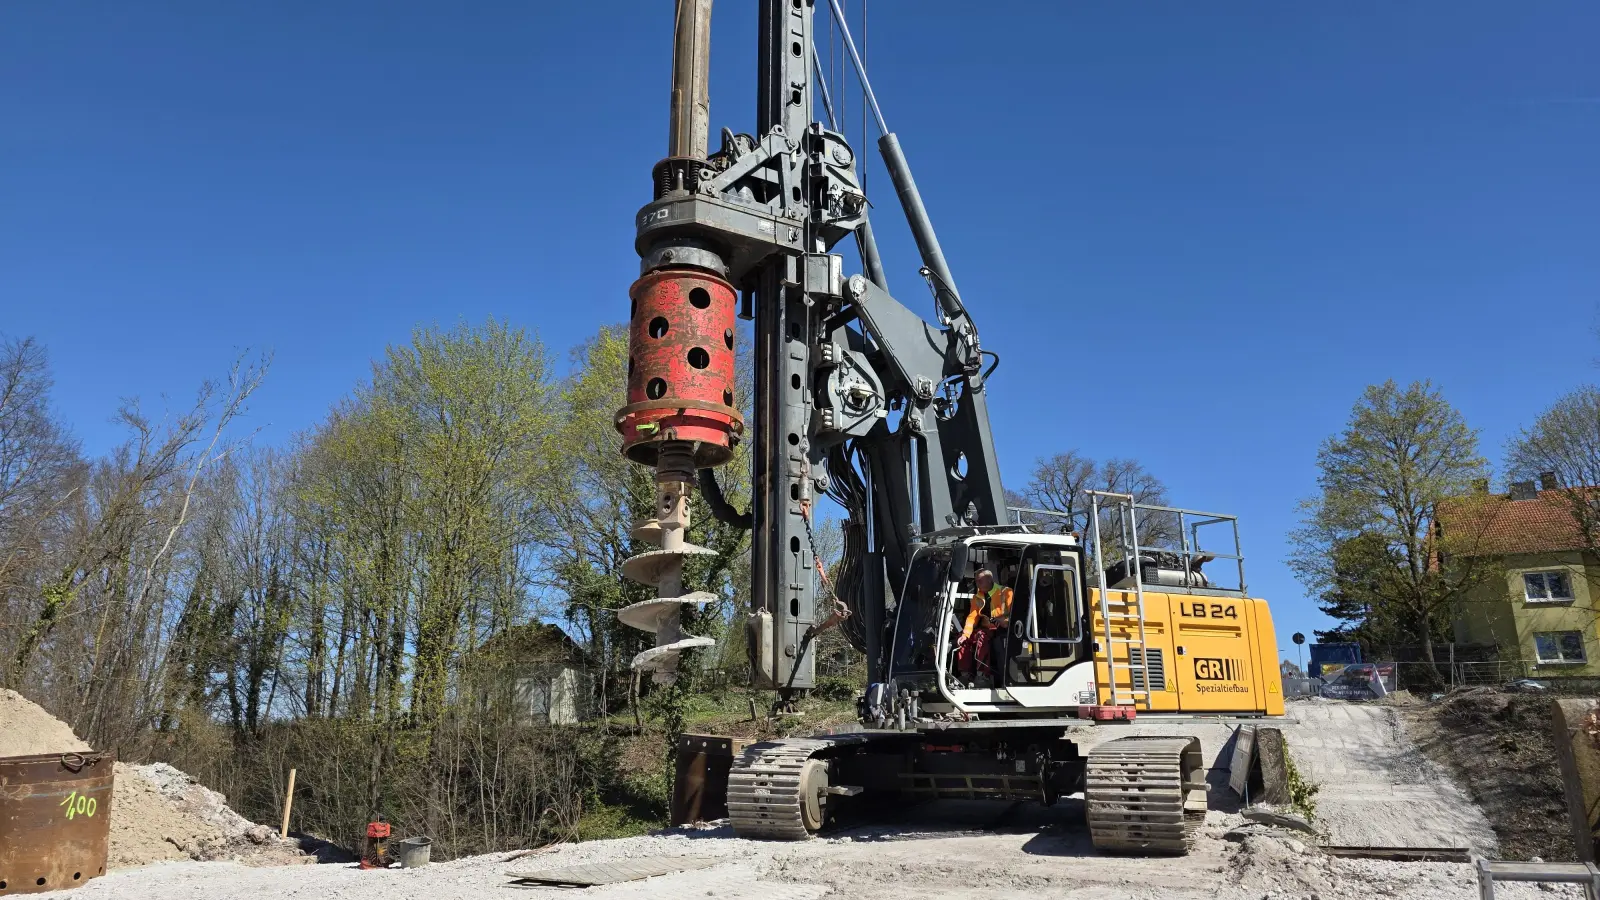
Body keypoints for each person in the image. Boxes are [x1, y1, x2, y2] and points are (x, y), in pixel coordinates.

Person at [954, 568, 1013, 687]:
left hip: (1002, 630)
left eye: (980, 581)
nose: (977, 583)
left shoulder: (1006, 592)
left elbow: (1014, 614)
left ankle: (983, 675)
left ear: (990, 580)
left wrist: (1002, 620)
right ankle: (965, 675)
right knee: (964, 639)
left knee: (982, 636)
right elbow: (972, 618)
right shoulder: (977, 597)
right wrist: (965, 634)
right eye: (976, 581)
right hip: (986, 628)